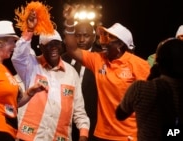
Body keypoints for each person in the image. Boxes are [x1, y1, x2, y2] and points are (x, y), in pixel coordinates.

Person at [63, 5, 150, 141]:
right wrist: (69, 22)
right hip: (101, 134)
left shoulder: (138, 65)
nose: (102, 42)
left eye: (107, 39)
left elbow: (152, 100)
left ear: (120, 45)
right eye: (103, 37)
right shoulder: (99, 59)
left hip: (129, 135)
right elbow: (72, 50)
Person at [12, 2, 90, 140]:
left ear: (61, 46)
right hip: (30, 138)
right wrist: (29, 30)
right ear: (41, 47)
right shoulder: (31, 66)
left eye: (56, 44)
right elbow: (18, 56)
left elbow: (79, 110)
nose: (53, 48)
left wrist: (83, 135)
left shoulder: (71, 73)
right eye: (48, 45)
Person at [116, 38, 183, 141]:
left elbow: (120, 114)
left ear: (158, 63)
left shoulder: (140, 88)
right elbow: (172, 132)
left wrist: (151, 77)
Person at [61, 21, 99, 141]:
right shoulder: (63, 58)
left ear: (93, 38)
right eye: (77, 35)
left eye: (86, 35)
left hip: (92, 119)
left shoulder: (101, 59)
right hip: (64, 118)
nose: (82, 40)